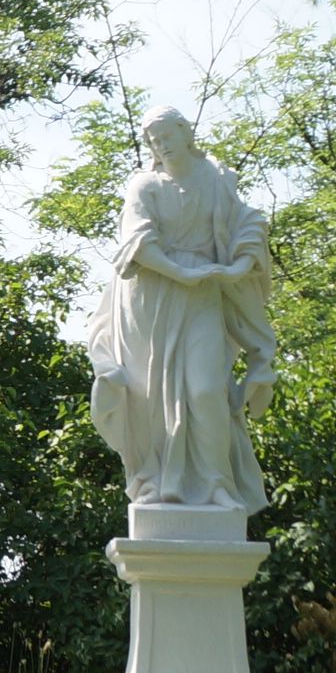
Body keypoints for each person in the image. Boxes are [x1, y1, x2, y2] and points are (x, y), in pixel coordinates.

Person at [84, 110, 277, 513]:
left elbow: (249, 223)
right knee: (150, 395)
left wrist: (238, 266)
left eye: (167, 135)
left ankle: (216, 483)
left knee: (207, 389)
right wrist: (179, 272)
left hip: (202, 291)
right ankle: (153, 481)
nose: (161, 145)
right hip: (150, 296)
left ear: (186, 133)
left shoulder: (216, 178)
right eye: (153, 140)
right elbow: (137, 242)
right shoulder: (145, 185)